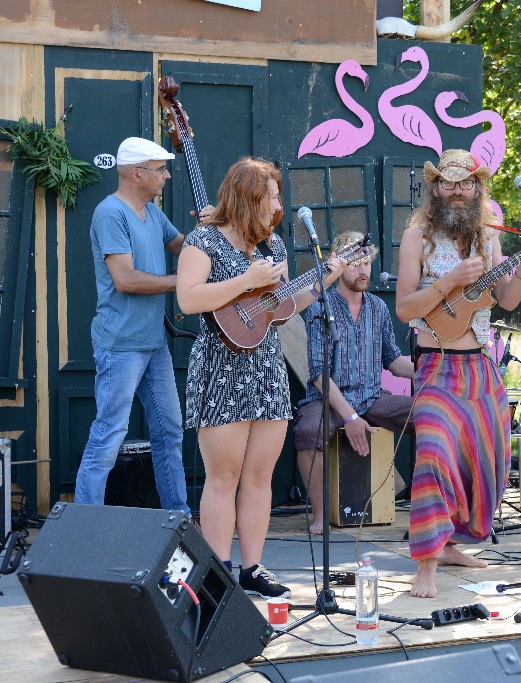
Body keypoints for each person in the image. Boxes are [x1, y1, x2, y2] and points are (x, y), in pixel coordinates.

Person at [176, 157, 346, 598]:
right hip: (221, 367)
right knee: (223, 475)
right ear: (249, 197)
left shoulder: (274, 249)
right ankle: (217, 573)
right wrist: (245, 280)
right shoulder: (203, 241)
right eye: (271, 195)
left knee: (258, 475)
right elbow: (189, 299)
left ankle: (252, 567)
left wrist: (324, 281)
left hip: (266, 368)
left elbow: (280, 308)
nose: (277, 204)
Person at [395, 149, 521, 598]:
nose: (457, 191)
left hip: (481, 367)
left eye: (465, 184)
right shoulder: (416, 238)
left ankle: (452, 543)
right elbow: (405, 306)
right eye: (448, 183)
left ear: (477, 188)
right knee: (434, 455)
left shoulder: (487, 238)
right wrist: (449, 281)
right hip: (437, 364)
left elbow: (507, 299)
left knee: (487, 458)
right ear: (436, 188)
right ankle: (425, 560)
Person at [75, 137, 198, 515]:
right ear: (136, 172)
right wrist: (183, 282)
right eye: (160, 169)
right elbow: (126, 280)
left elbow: (186, 246)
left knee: (170, 432)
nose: (167, 176)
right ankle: (85, 524)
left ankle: (178, 520)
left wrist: (214, 231)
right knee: (110, 434)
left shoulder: (153, 213)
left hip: (152, 343)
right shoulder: (110, 213)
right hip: (121, 344)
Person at [293, 230, 416, 535]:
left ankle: (434, 510)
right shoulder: (320, 306)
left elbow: (394, 361)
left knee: (433, 415)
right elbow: (319, 375)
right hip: (329, 400)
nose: (363, 270)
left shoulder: (378, 307)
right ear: (337, 266)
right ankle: (321, 515)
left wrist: (432, 369)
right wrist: (350, 416)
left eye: (366, 262)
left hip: (373, 397)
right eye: (354, 263)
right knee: (308, 430)